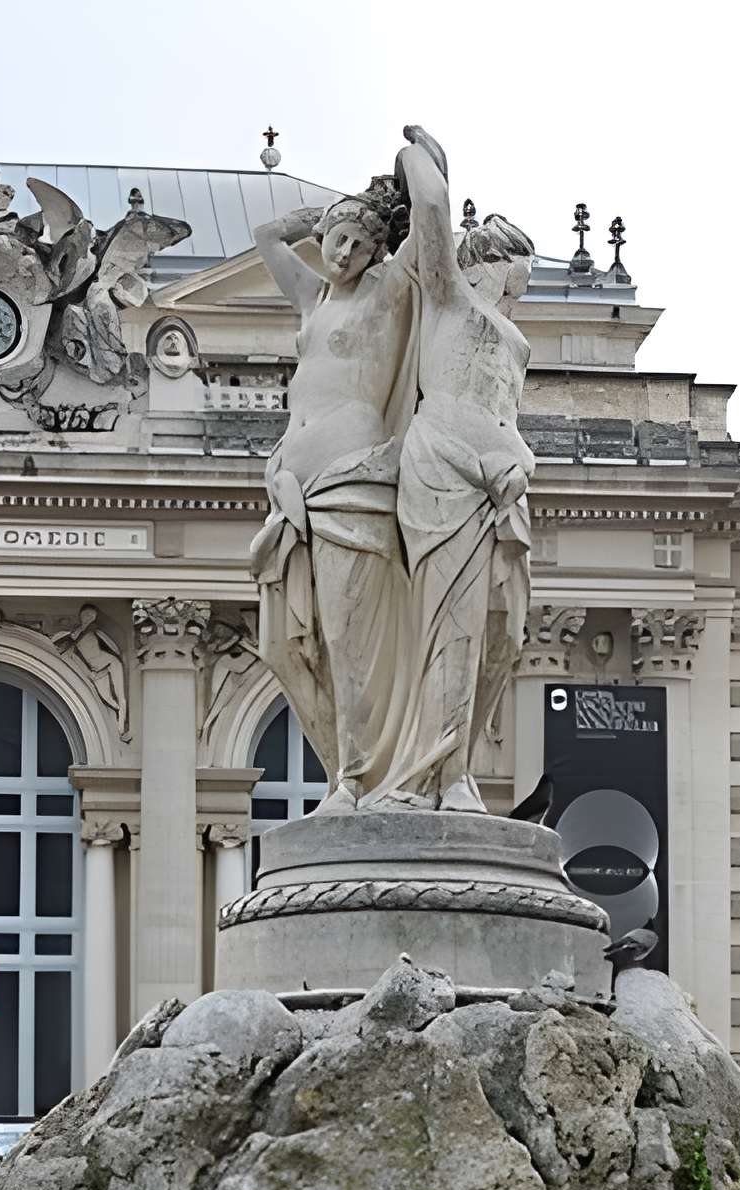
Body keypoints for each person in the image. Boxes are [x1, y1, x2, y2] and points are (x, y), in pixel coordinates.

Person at [250, 180, 418, 809]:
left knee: (348, 641)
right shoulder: (314, 298)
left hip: (351, 478)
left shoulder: (387, 294)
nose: (343, 253)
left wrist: (415, 166)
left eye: (358, 244)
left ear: (379, 253)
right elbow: (266, 237)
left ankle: (358, 779)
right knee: (285, 647)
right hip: (290, 488)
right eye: (336, 240)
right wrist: (317, 219)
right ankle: (345, 769)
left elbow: (430, 230)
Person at [390, 130, 536, 811]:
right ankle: (442, 775)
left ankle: (458, 762)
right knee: (453, 625)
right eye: (518, 281)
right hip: (448, 472)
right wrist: (425, 158)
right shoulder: (449, 299)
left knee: (503, 635)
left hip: (499, 492)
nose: (519, 297)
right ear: (488, 268)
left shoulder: (503, 328)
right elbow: (430, 209)